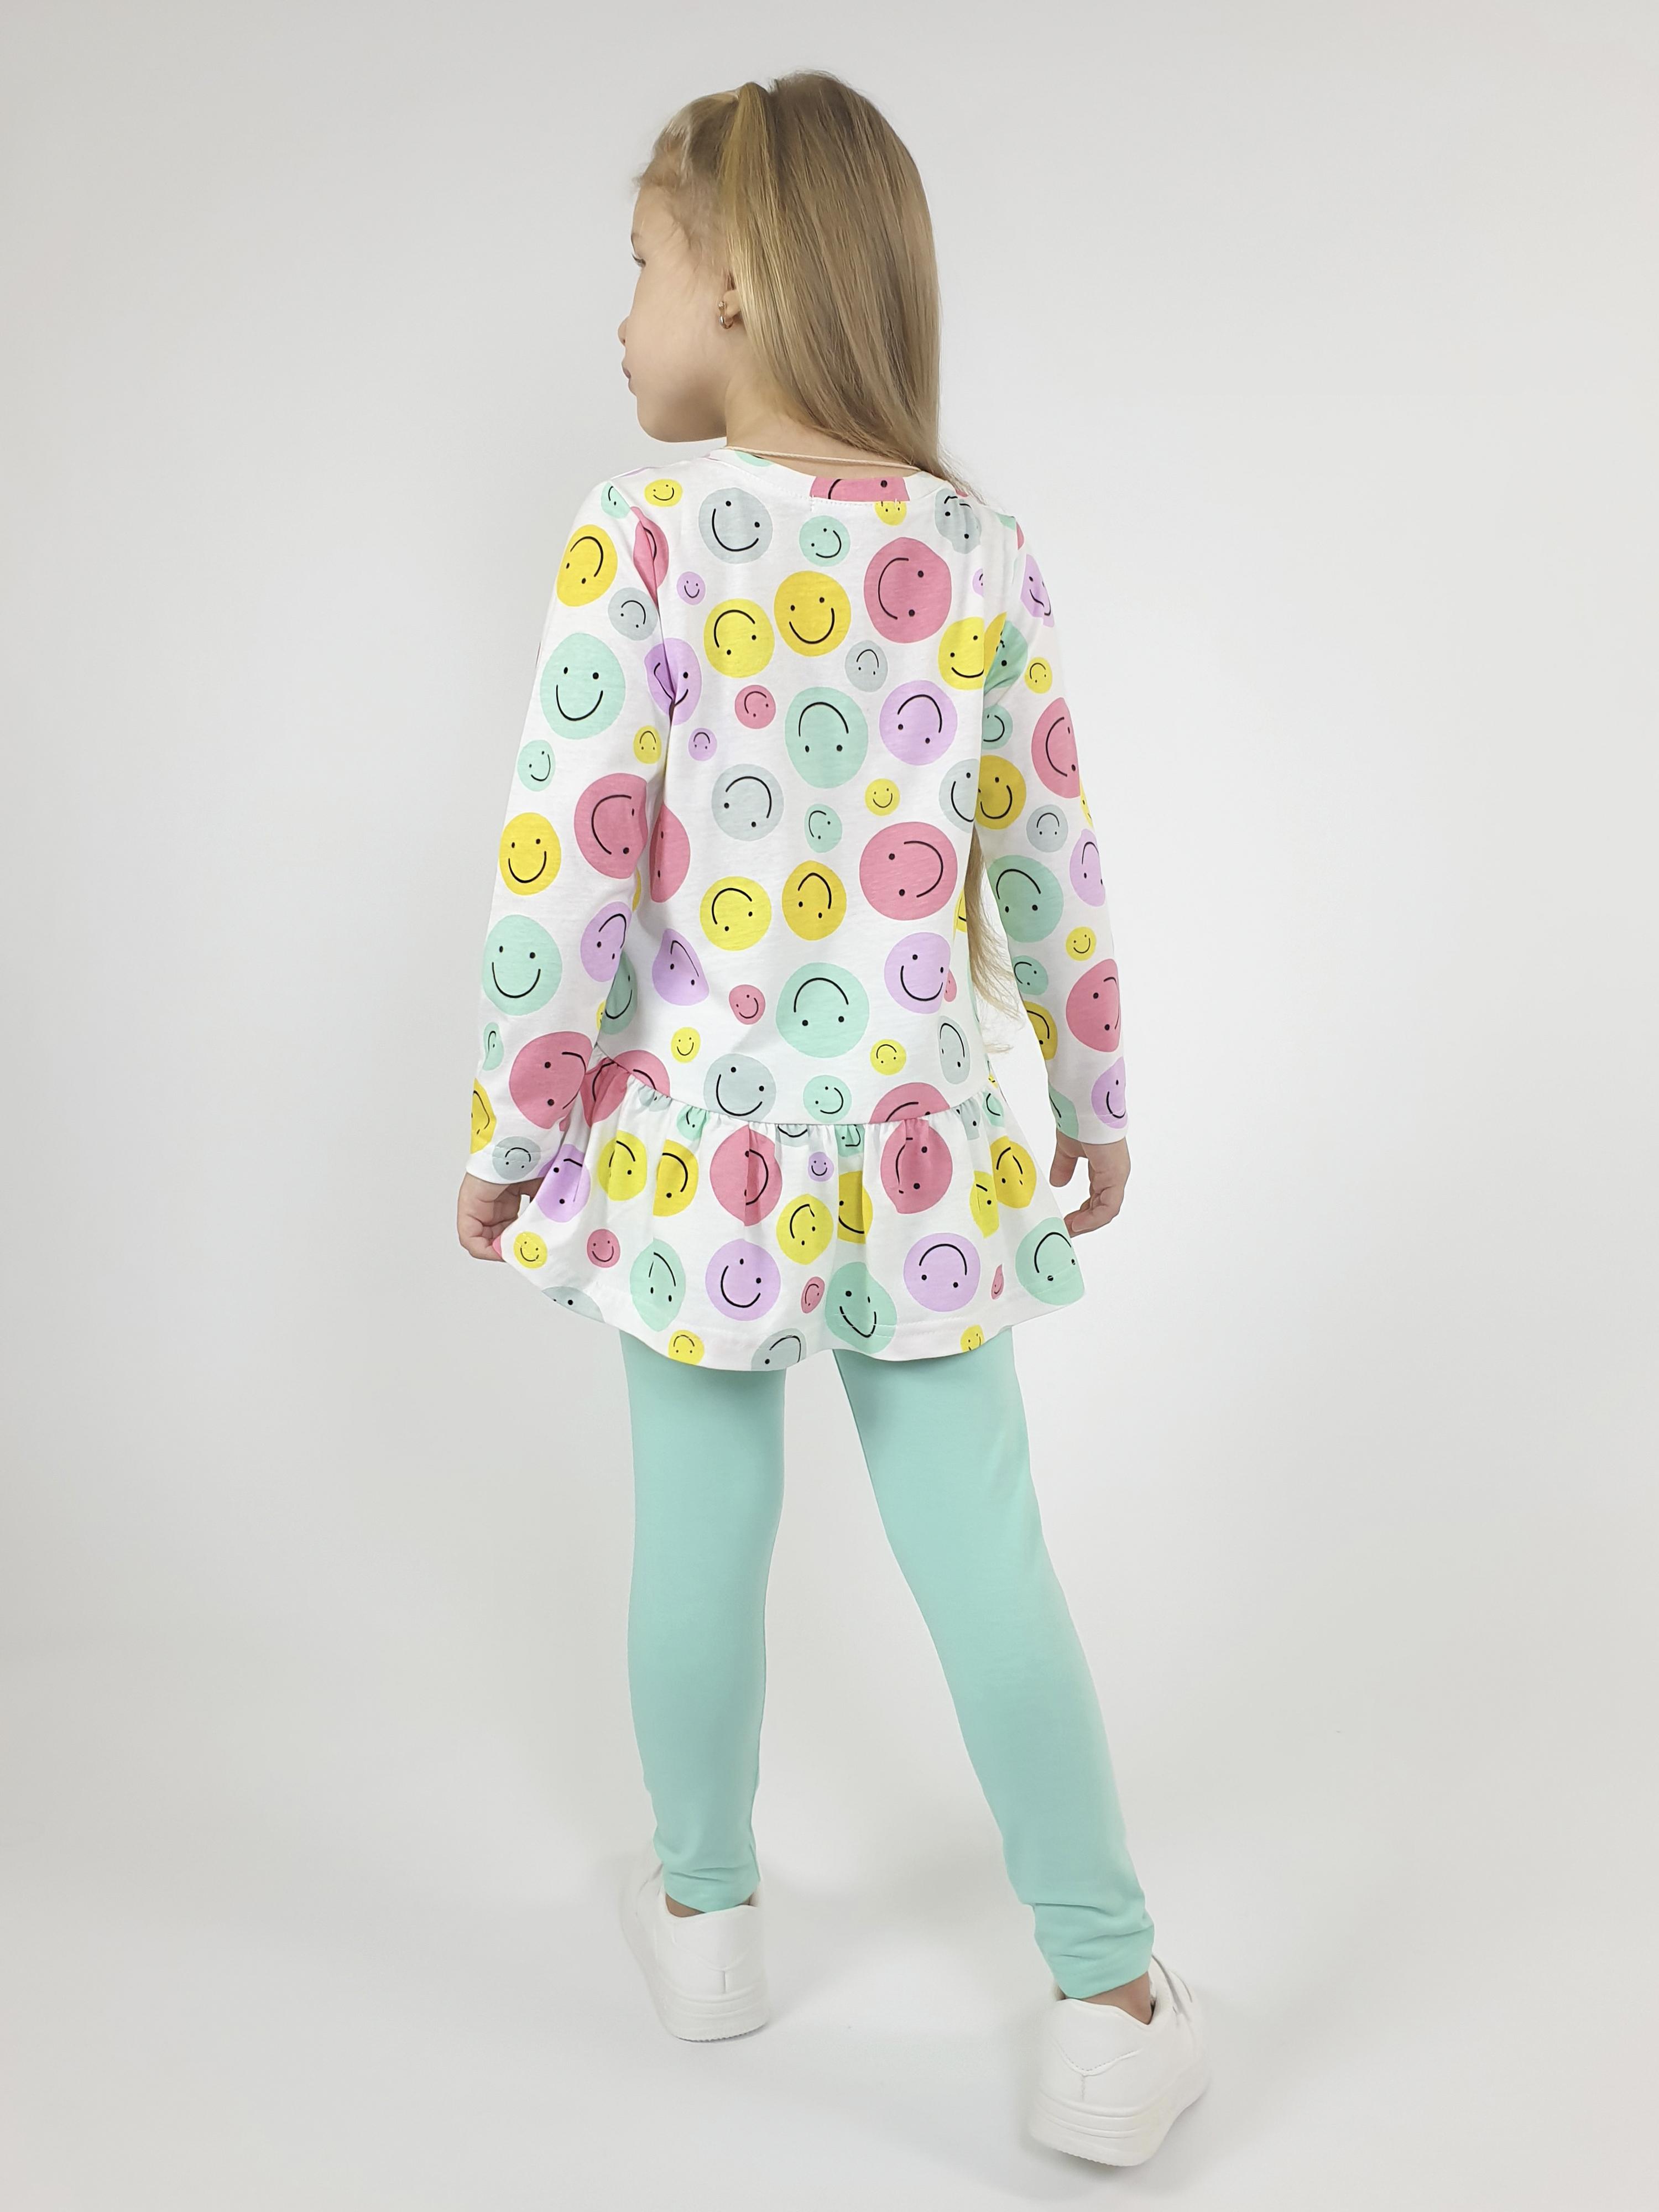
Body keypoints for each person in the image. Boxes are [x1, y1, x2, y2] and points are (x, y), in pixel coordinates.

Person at [455, 70, 1208, 2171]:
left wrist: (515, 1129)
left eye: (641, 266)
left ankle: (707, 1919)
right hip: (920, 1149)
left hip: (694, 1155)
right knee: (986, 1552)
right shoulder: (977, 556)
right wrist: (1091, 1090)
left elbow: (565, 874)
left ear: (742, 283)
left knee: (696, 1530)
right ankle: (1113, 1992)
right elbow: (1043, 852)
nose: (619, 314)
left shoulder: (638, 536)